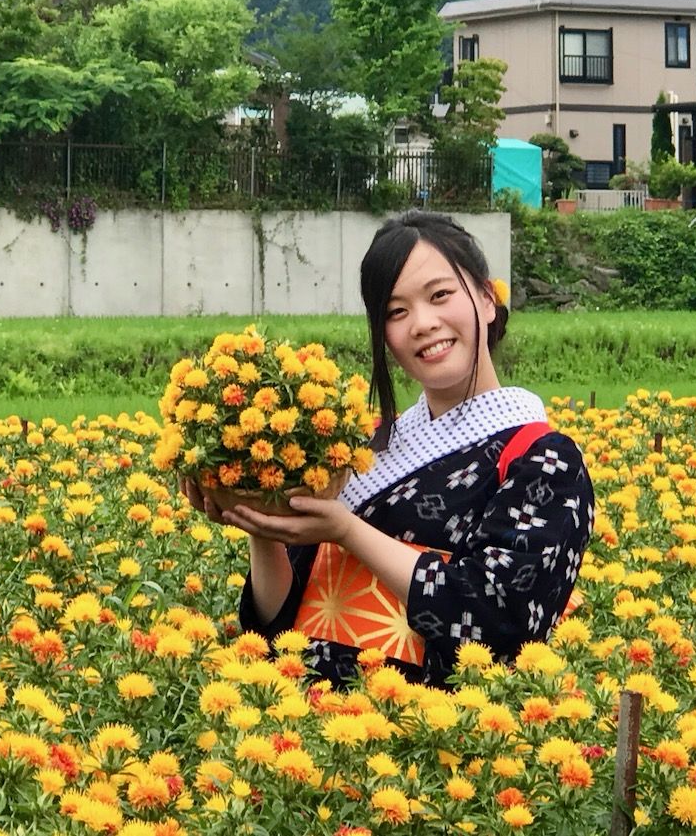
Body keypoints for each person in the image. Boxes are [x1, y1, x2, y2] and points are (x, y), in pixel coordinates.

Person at [183, 210, 595, 686]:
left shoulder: (543, 460)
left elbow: (498, 623)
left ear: (486, 299)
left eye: (440, 295)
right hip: (308, 728)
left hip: (426, 740)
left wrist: (348, 531)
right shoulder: (358, 450)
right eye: (396, 312)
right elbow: (279, 627)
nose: (422, 323)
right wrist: (262, 524)